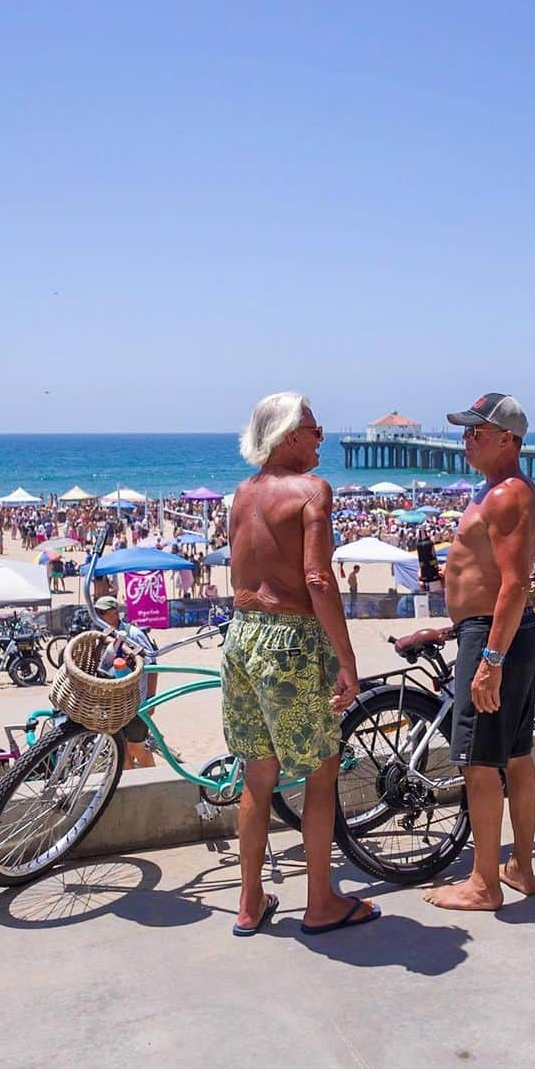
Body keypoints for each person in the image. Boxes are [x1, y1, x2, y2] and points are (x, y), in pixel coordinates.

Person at [223, 391, 379, 937]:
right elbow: (317, 579)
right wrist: (346, 658)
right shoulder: (313, 490)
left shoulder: (240, 496)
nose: (322, 439)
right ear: (291, 435)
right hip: (291, 641)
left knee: (257, 776)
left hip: (241, 636)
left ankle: (249, 903)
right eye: (315, 429)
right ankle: (320, 903)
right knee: (319, 773)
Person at [422, 391, 535, 913]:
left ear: (508, 440)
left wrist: (490, 661)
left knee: (478, 760)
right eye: (465, 430)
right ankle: (519, 867)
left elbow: (515, 584)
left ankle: (483, 882)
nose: (465, 439)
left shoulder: (506, 495)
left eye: (476, 431)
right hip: (498, 632)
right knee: (515, 754)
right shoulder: (494, 490)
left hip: (494, 634)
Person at [91, 594, 158, 769]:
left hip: (137, 702)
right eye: (97, 613)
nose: (98, 616)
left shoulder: (133, 634)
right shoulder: (103, 635)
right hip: (115, 705)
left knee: (137, 748)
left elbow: (152, 666)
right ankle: (132, 787)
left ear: (114, 613)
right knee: (121, 752)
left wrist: (151, 699)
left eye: (102, 613)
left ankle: (154, 781)